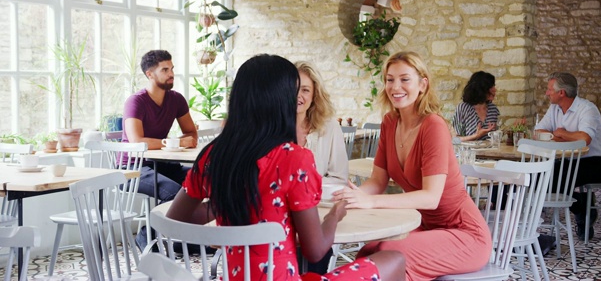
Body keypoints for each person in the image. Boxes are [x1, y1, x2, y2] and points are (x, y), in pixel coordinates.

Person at [166, 54, 406, 281]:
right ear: (281, 101)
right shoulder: (294, 159)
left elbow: (176, 217)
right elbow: (315, 251)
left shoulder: (214, 154)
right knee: (394, 259)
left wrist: (231, 203)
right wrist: (334, 216)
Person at [336, 51, 492, 280]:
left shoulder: (433, 126)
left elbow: (431, 197)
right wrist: (353, 196)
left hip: (464, 233)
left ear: (422, 84)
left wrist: (370, 202)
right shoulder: (390, 123)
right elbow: (378, 181)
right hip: (423, 225)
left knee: (390, 255)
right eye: (390, 79)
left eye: (404, 79)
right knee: (369, 251)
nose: (395, 86)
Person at [122, 50, 198, 249]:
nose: (171, 73)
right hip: (132, 168)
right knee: (174, 194)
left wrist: (183, 141)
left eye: (172, 68)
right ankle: (146, 237)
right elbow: (136, 141)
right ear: (150, 74)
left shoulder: (176, 100)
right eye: (165, 69)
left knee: (204, 181)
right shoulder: (136, 102)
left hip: (163, 164)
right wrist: (176, 143)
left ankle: (191, 238)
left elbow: (191, 132)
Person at [535, 72, 601, 240]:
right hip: (567, 161)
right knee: (539, 178)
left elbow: (584, 139)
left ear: (561, 93)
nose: (547, 93)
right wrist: (559, 136)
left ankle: (582, 206)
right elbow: (538, 131)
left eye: (549, 90)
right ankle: (581, 204)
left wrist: (562, 133)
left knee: (548, 180)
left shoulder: (587, 109)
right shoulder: (554, 108)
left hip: (593, 164)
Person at [295, 61, 349, 273]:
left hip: (316, 209)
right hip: (283, 213)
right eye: (292, 88)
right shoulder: (274, 126)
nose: (297, 95)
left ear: (315, 94)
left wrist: (306, 188)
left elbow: (339, 176)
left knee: (316, 251)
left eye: (305, 89)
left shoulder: (329, 126)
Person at [452, 71, 499, 141]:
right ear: (480, 90)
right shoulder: (463, 108)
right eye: (491, 87)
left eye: (494, 86)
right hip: (468, 152)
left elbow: (495, 137)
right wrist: (476, 136)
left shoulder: (493, 109)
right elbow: (455, 139)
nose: (495, 89)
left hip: (491, 151)